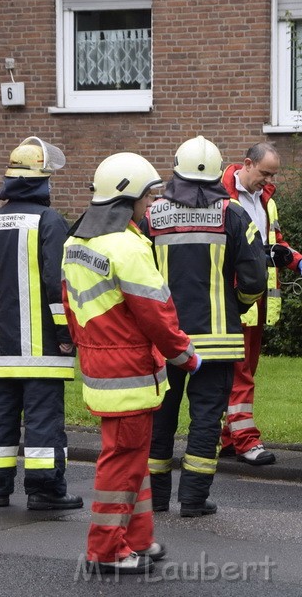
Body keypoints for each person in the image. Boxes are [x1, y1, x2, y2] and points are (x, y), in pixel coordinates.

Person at [62, 152, 203, 574]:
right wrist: (186, 356)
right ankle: (106, 552)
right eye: (147, 196)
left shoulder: (77, 242)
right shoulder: (126, 245)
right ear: (130, 198)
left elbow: (72, 309)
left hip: (101, 366)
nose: (150, 203)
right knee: (122, 464)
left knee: (132, 462)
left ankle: (136, 541)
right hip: (130, 371)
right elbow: (157, 312)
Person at [143, 136, 267, 517]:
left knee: (160, 420)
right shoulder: (232, 214)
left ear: (176, 168)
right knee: (206, 419)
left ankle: (157, 499)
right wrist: (237, 306)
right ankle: (193, 500)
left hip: (164, 340)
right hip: (218, 342)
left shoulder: (150, 215)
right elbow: (255, 278)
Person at [0, 136, 83, 511]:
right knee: (43, 423)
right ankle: (45, 491)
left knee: (0, 418)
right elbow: (57, 285)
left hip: (1, 350)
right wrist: (66, 334)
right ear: (40, 182)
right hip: (42, 351)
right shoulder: (50, 222)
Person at [219, 142, 302, 466]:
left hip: (255, 296)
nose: (268, 180)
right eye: (264, 173)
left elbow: (274, 243)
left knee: (244, 369)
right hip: (233, 295)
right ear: (247, 163)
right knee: (240, 371)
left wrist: (297, 260)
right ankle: (246, 441)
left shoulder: (265, 200)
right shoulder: (222, 199)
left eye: (273, 175)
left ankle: (227, 438)